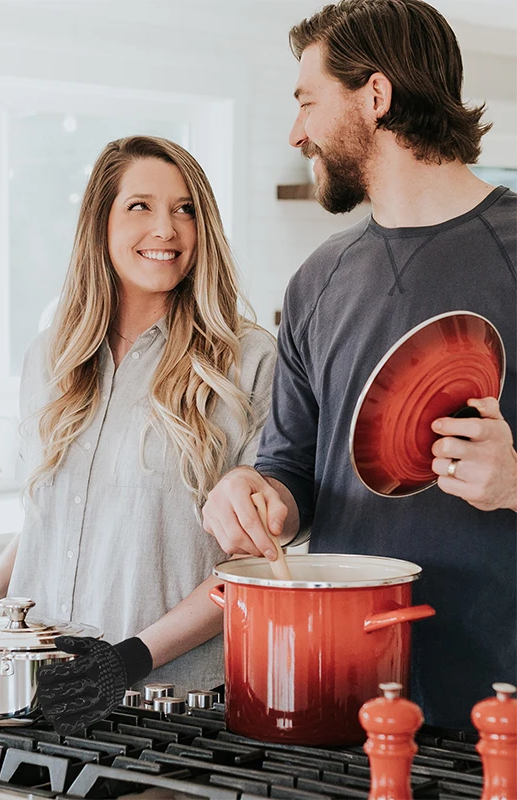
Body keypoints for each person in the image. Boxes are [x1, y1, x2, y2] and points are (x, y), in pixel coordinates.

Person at [201, 0, 516, 731]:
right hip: (349, 702)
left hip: (496, 709)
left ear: (375, 97)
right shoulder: (318, 278)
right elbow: (292, 469)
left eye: (308, 101)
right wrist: (260, 494)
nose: (296, 131)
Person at [0, 135, 277, 733]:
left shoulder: (246, 362)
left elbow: (254, 566)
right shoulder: (52, 358)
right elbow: (49, 520)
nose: (167, 229)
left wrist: (129, 657)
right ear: (99, 224)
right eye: (140, 207)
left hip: (171, 708)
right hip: (42, 698)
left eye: (185, 209)